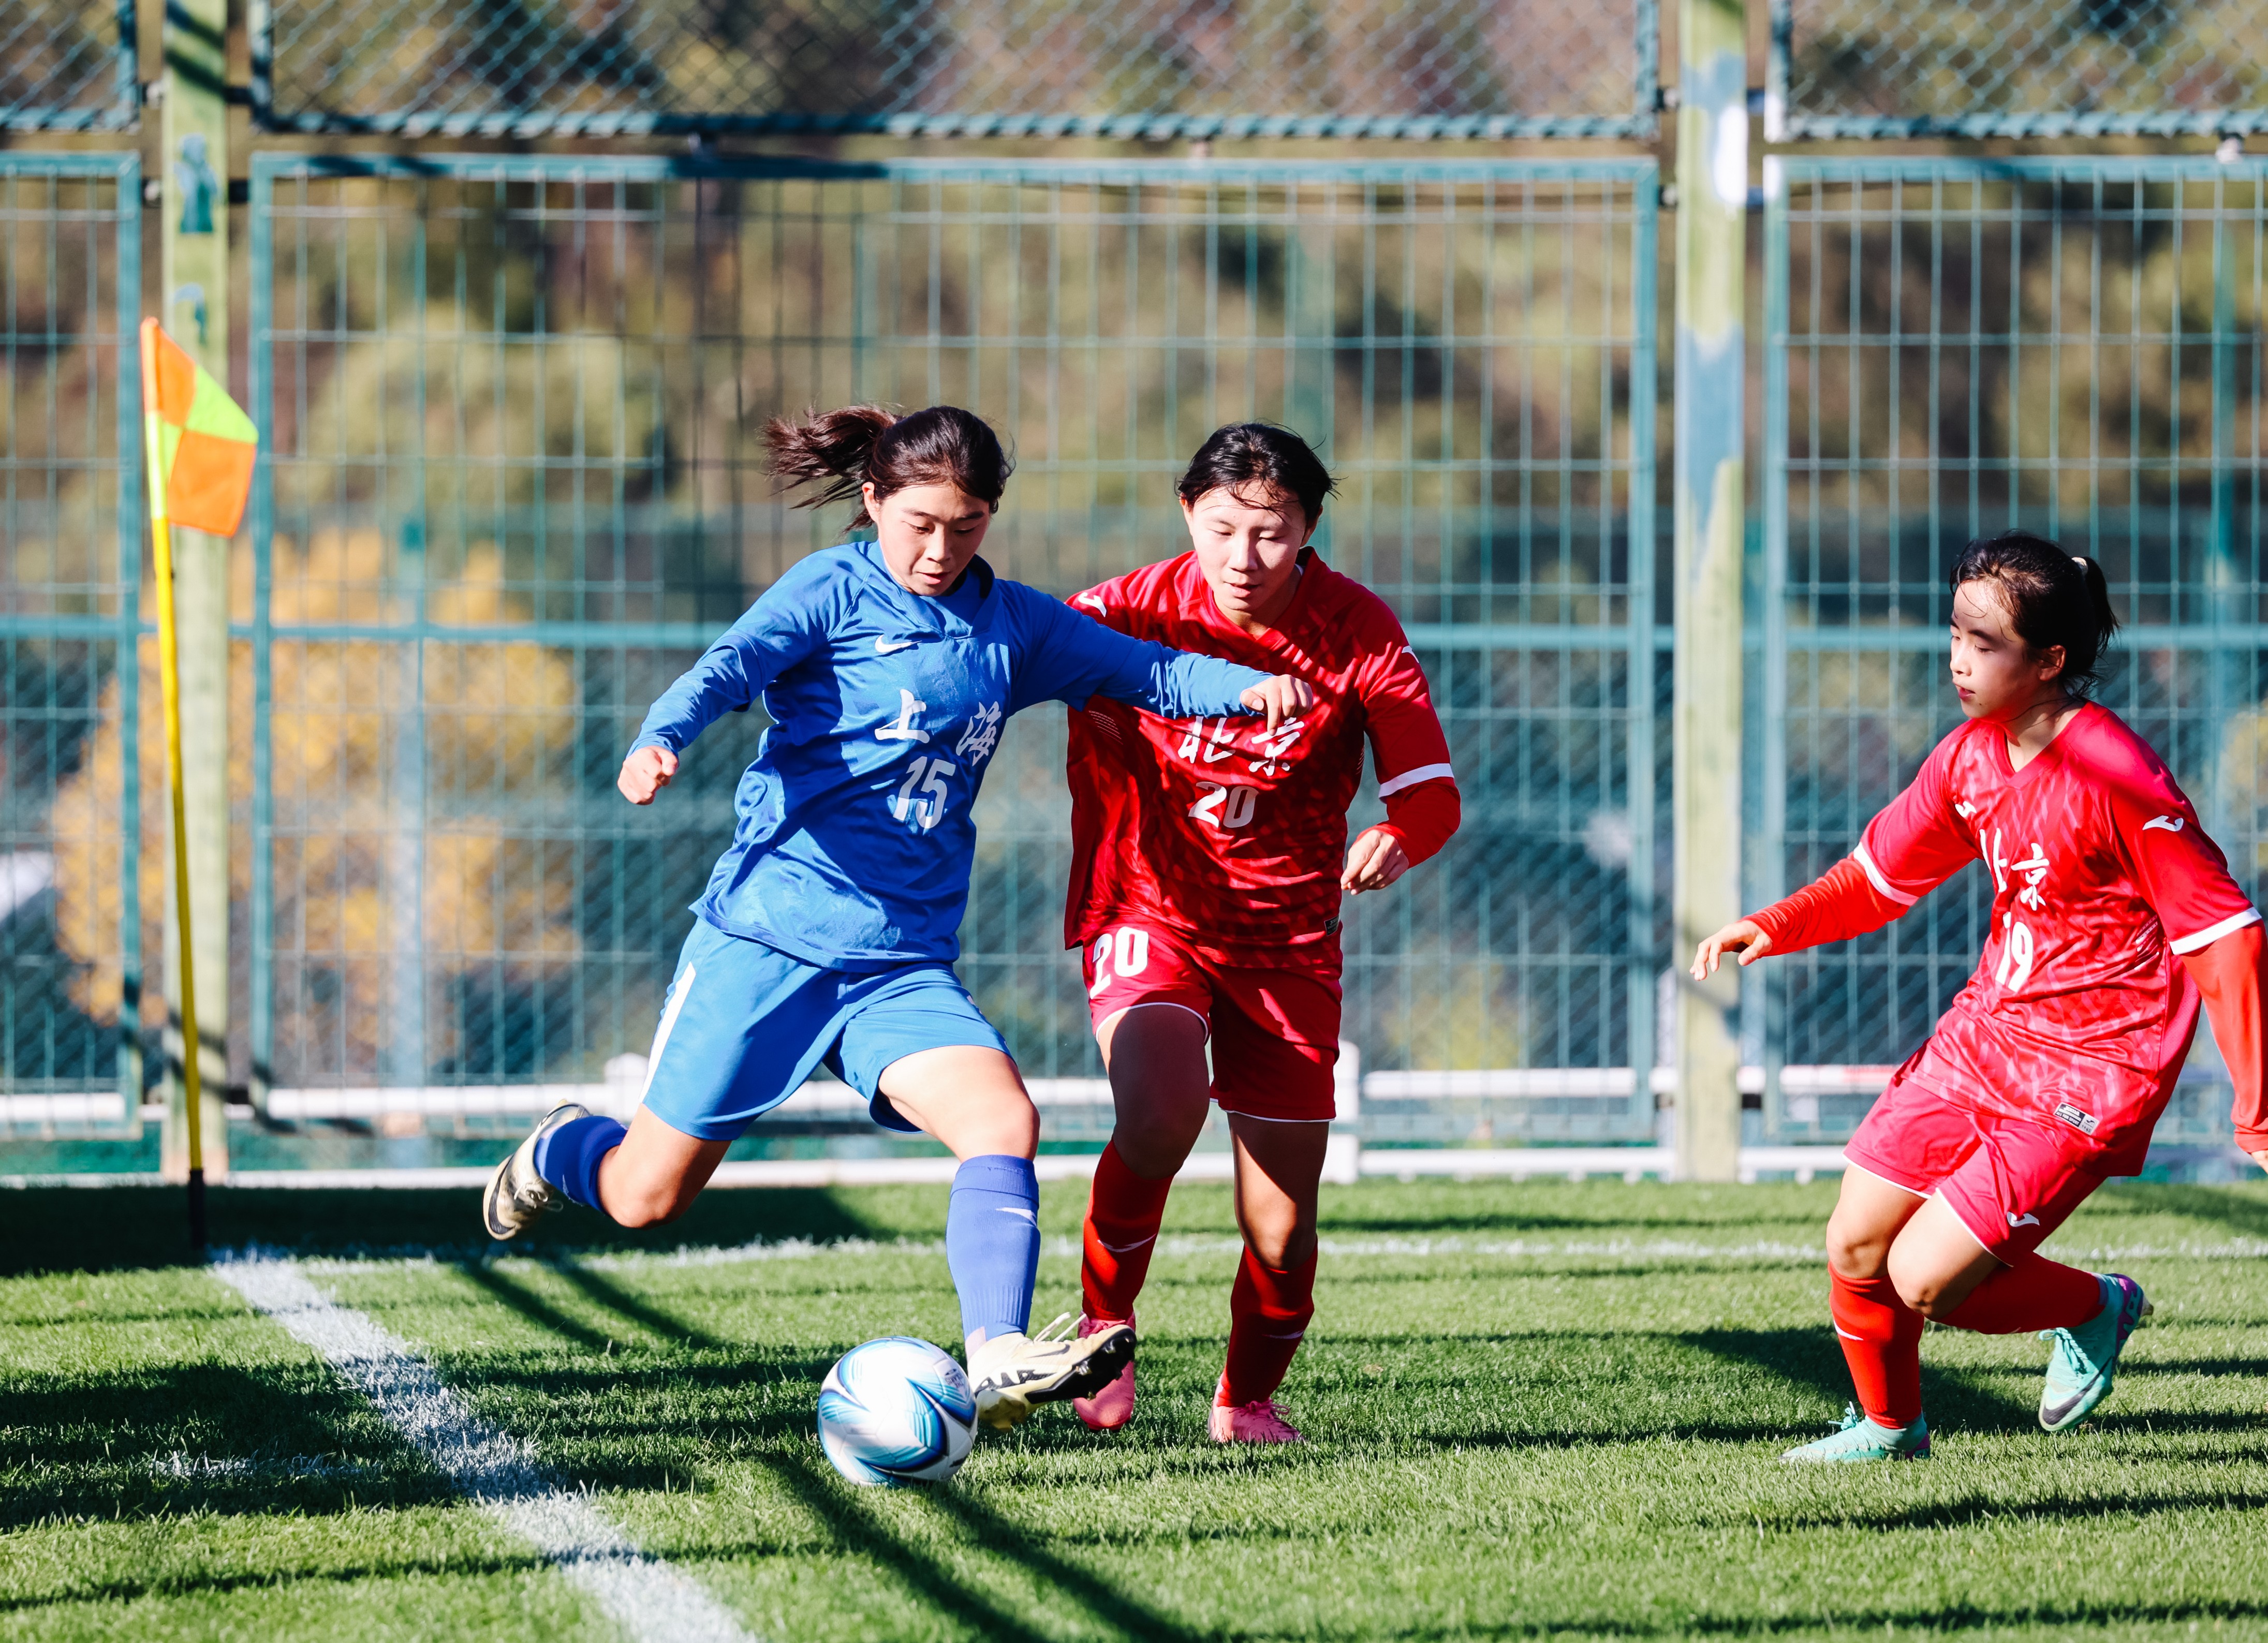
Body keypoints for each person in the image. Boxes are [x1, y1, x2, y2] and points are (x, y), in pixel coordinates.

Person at [480, 404, 1314, 1431]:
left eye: (964, 527)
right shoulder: (830, 592)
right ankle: (564, 1146)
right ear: (874, 499)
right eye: (918, 521)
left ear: (989, 517)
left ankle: (999, 1352)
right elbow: (728, 670)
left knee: (1002, 1119)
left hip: (898, 968)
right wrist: (664, 736)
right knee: (646, 1196)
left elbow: (1148, 673)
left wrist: (1251, 690)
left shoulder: (1014, 624)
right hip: (768, 944)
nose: (937, 548)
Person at [1691, 530, 2268, 1463]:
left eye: (1984, 642)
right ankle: (1889, 1428)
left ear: (2048, 663)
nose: (1958, 658)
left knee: (1923, 1279)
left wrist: (2257, 1111)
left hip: (2093, 1065)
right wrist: (1775, 923)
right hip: (1984, 1039)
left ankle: (2097, 1306)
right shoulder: (1968, 757)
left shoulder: (2116, 774)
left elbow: (2222, 933)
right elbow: (1880, 877)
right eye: (1954, 632)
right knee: (1855, 1244)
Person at [1058, 423, 1460, 1443]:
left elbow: (1432, 791)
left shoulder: (1357, 630)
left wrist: (1402, 832)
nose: (1244, 557)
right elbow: (985, 651)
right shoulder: (1120, 611)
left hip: (1285, 942)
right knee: (1158, 1106)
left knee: (1281, 1231)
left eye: (1272, 533)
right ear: (1187, 511)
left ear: (1310, 529)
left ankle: (1244, 1401)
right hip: (1147, 905)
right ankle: (1102, 1332)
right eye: (1224, 528)